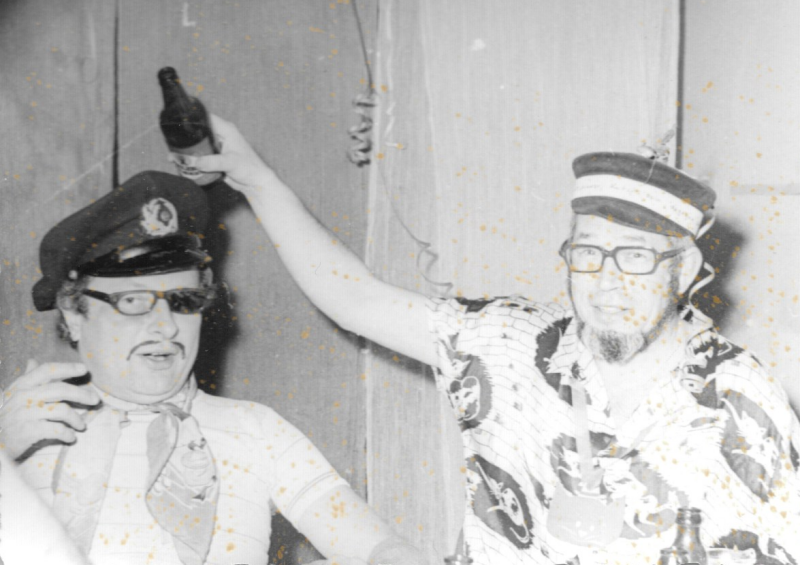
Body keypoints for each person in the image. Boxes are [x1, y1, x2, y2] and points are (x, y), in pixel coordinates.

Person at [182, 115, 800, 565]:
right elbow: (356, 301)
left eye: (636, 257)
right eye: (588, 252)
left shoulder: (739, 399)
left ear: (684, 270)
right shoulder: (509, 344)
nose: (608, 281)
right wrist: (255, 180)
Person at [0, 171, 425, 565]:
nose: (167, 326)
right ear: (73, 313)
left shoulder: (258, 432)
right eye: (133, 301)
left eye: (183, 301)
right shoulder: (19, 429)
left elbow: (381, 550)